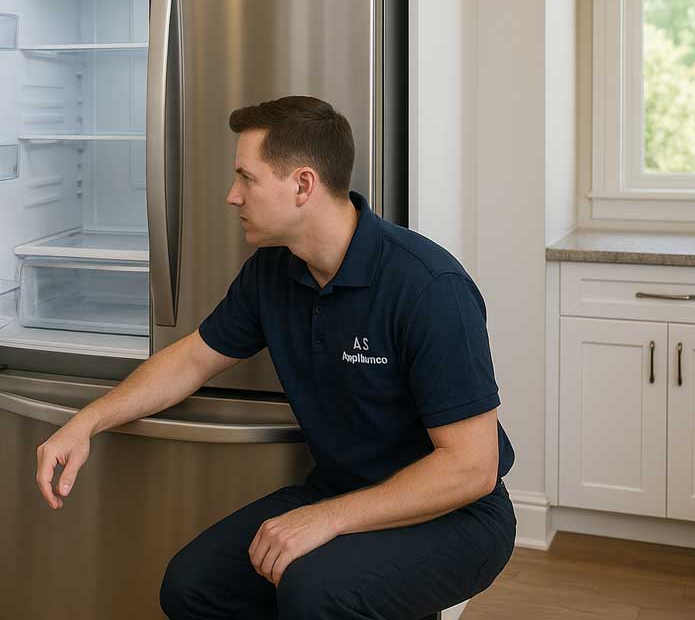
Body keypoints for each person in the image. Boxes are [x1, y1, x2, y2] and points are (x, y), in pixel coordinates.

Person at [35, 95, 517, 619]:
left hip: (458, 516)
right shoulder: (272, 274)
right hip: (340, 492)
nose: (232, 196)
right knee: (191, 586)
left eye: (246, 178)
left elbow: (472, 468)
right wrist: (87, 422)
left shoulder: (427, 287)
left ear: (303, 185)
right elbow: (192, 360)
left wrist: (328, 518)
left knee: (313, 591)